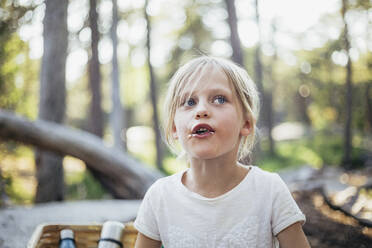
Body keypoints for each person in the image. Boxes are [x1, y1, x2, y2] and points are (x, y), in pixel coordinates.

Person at [134, 56, 311, 248]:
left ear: (246, 123)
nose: (201, 110)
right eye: (189, 101)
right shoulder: (160, 196)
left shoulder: (270, 190)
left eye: (219, 99)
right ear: (174, 128)